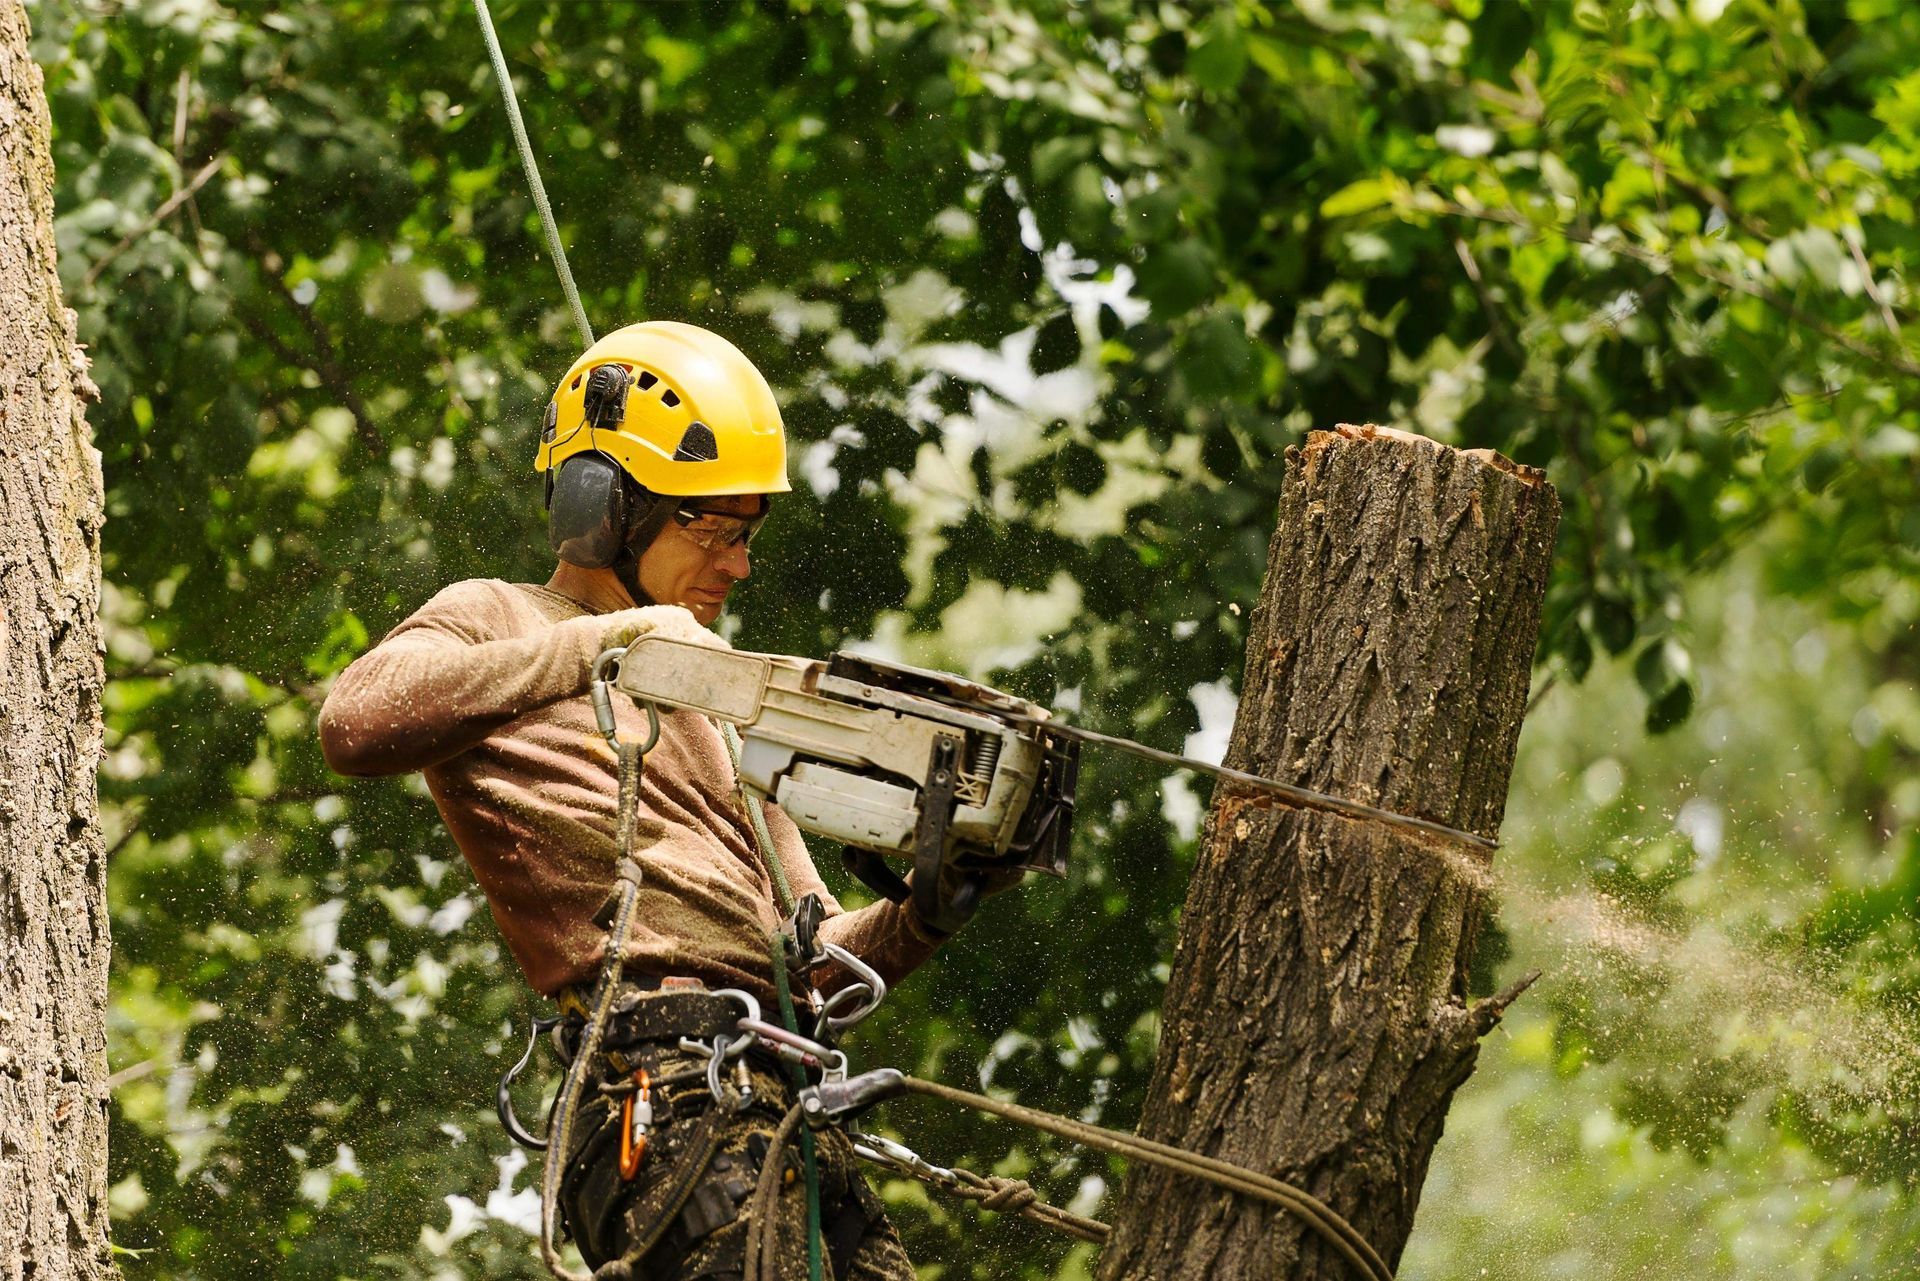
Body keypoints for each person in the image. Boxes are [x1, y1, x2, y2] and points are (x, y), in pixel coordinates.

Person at [318, 321, 964, 1280]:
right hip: (662, 1089)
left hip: (775, 1096)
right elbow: (355, 721)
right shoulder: (499, 618)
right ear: (605, 507)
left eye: (749, 534)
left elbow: (814, 960)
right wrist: (613, 641)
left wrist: (931, 905)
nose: (739, 565)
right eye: (716, 529)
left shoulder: (717, 705)